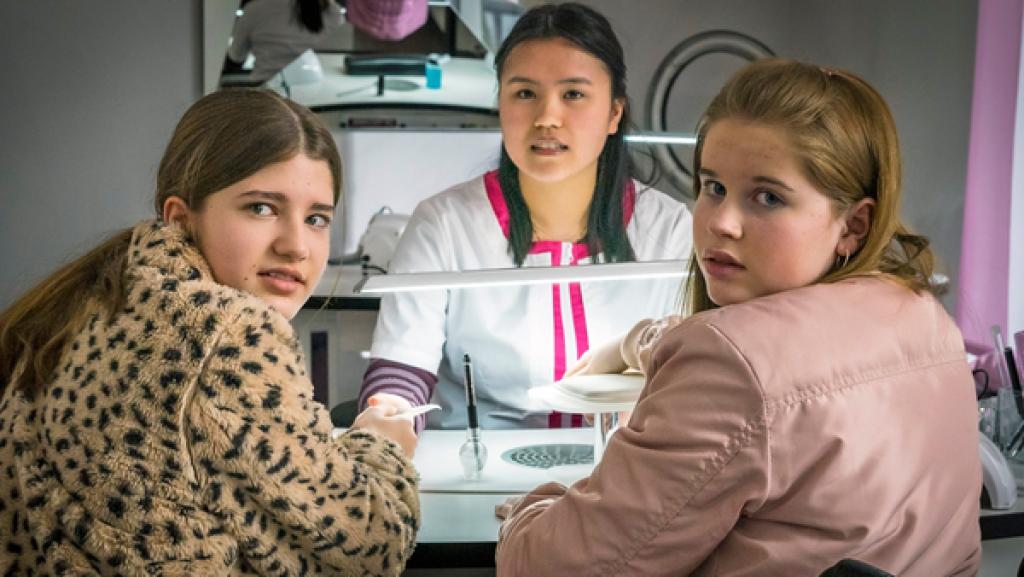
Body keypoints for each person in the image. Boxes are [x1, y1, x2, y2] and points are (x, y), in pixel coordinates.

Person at [495, 59, 982, 576]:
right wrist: (633, 343)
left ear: (853, 225)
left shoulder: (729, 363)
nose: (721, 223)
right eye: (713, 187)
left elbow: (561, 568)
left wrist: (531, 511)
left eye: (768, 198)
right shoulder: (923, 315)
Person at [0, 89, 418, 576]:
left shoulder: (95, 300)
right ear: (180, 218)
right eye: (261, 208)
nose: (296, 245)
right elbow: (369, 547)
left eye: (316, 218)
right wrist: (382, 447)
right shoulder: (229, 333)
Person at [358, 2, 693, 431]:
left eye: (573, 94)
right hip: (478, 471)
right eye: (525, 93)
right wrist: (389, 426)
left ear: (613, 113)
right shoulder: (443, 225)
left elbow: (692, 373)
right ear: (501, 104)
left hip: (625, 469)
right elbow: (402, 372)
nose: (547, 118)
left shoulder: (669, 229)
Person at [226, 0, 344, 83]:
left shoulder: (254, 9)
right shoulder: (330, 11)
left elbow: (236, 56)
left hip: (266, 86)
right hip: (310, 83)